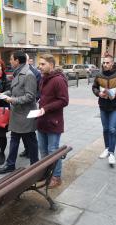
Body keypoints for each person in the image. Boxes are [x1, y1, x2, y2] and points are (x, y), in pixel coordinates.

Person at [0, 51, 39, 174]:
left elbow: (31, 96)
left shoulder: (28, 74)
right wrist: (3, 94)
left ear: (17, 61)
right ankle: (10, 164)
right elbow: (14, 90)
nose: (10, 61)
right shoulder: (19, 72)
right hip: (17, 115)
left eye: (11, 59)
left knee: (31, 140)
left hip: (25, 115)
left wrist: (12, 100)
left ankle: (35, 165)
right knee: (14, 139)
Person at [37, 54, 69, 188]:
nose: (40, 66)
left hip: (53, 122)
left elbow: (64, 100)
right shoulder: (43, 78)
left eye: (43, 64)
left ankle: (56, 177)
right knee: (43, 150)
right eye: (40, 64)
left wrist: (46, 108)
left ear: (51, 64)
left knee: (53, 151)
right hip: (42, 120)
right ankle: (45, 174)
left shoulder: (58, 80)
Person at [92, 54, 116, 165]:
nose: (105, 65)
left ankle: (111, 153)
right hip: (103, 106)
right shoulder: (99, 74)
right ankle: (106, 148)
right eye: (104, 63)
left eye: (107, 62)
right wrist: (98, 93)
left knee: (112, 129)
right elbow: (94, 87)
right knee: (105, 129)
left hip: (115, 106)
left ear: (112, 63)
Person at [19, 55, 42, 159]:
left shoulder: (34, 73)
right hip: (20, 105)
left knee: (30, 131)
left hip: (30, 104)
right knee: (23, 131)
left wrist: (35, 99)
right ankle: (27, 149)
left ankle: (32, 154)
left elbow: (37, 88)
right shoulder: (19, 71)